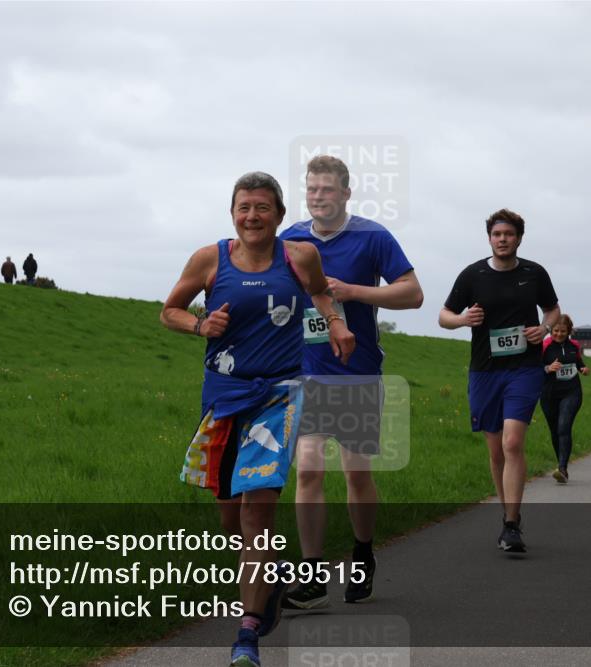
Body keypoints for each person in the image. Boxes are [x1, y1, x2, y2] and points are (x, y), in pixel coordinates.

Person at [161, 172, 355, 667]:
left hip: (279, 397)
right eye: (244, 207)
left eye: (262, 208)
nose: (252, 216)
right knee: (231, 517)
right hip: (224, 398)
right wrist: (201, 325)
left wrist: (335, 323)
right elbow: (170, 311)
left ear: (279, 215)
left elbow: (320, 293)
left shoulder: (300, 256)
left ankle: (246, 633)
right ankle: (273, 572)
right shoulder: (209, 259)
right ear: (232, 213)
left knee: (257, 512)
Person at [279, 155, 423, 608]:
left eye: (326, 189)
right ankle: (313, 574)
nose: (318, 196)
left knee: (356, 473)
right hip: (305, 372)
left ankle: (363, 553)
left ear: (345, 192)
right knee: (308, 467)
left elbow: (413, 293)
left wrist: (353, 292)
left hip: (356, 371)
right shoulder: (290, 240)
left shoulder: (372, 237)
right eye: (311, 189)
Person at [439, 208, 560, 553]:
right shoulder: (472, 275)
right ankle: (508, 514)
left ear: (519, 238)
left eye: (508, 234)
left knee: (512, 442)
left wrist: (545, 328)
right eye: (497, 234)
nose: (502, 239)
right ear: (489, 238)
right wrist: (463, 320)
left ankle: (511, 524)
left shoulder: (534, 273)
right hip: (485, 371)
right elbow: (443, 316)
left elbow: (553, 310)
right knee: (496, 451)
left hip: (524, 368)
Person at [540, 314, 590, 483]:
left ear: (569, 331)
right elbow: (534, 368)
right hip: (549, 394)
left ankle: (562, 468)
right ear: (551, 330)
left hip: (571, 392)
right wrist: (548, 368)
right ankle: (561, 464)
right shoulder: (544, 346)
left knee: (563, 427)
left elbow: (579, 363)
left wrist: (583, 369)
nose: (559, 334)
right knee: (555, 431)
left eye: (563, 331)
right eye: (556, 331)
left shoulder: (574, 346)